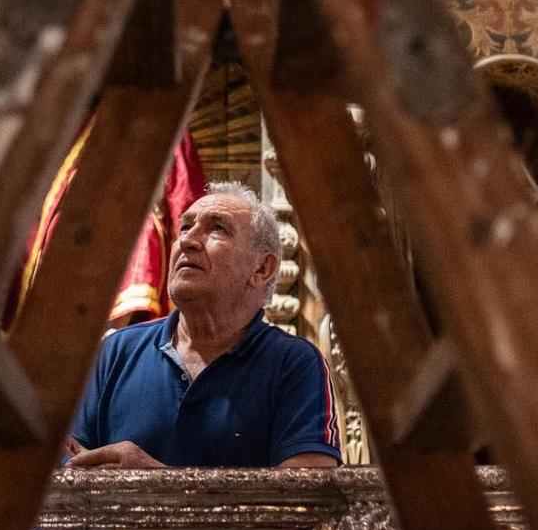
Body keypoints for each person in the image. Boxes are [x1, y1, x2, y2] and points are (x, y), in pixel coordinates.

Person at [66, 183, 341, 470]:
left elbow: (309, 500)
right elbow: (64, 468)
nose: (188, 240)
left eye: (217, 228)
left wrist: (158, 485)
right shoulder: (116, 351)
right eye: (185, 227)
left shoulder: (294, 364)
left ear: (262, 269)